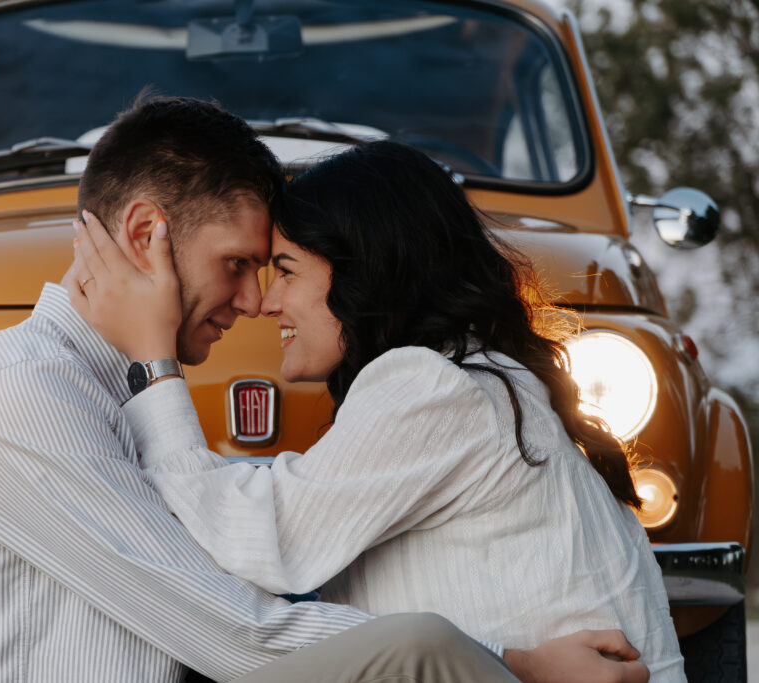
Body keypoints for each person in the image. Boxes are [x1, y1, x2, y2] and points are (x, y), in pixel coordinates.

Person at [0, 96, 648, 683]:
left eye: (271, 270)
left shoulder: (101, 398)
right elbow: (236, 632)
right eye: (238, 265)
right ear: (146, 236)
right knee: (422, 646)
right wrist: (509, 662)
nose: (255, 302)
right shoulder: (23, 394)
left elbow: (252, 547)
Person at [68, 138, 685, 680]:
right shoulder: (476, 379)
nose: (266, 302)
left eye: (285, 271)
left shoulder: (434, 385)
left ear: (363, 272)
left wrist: (152, 359)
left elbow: (258, 538)